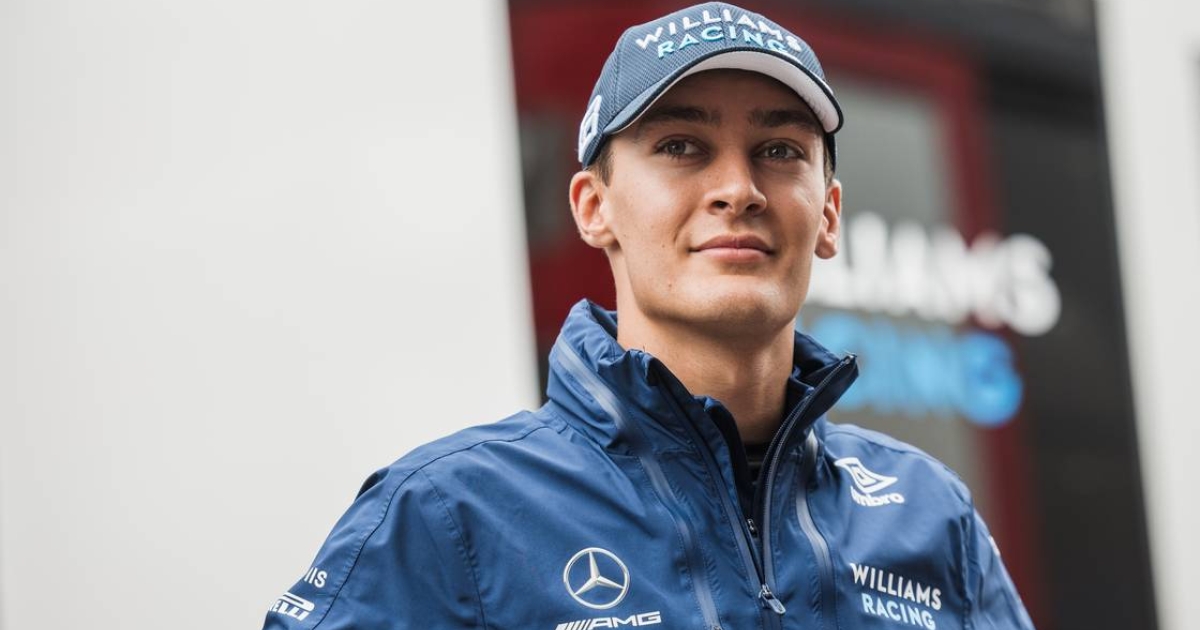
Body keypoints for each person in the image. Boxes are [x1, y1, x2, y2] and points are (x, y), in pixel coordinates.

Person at [262, 3, 1035, 629]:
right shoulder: (447, 514)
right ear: (593, 208)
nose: (738, 190)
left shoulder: (931, 514)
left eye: (778, 150)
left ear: (828, 215)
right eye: (681, 146)